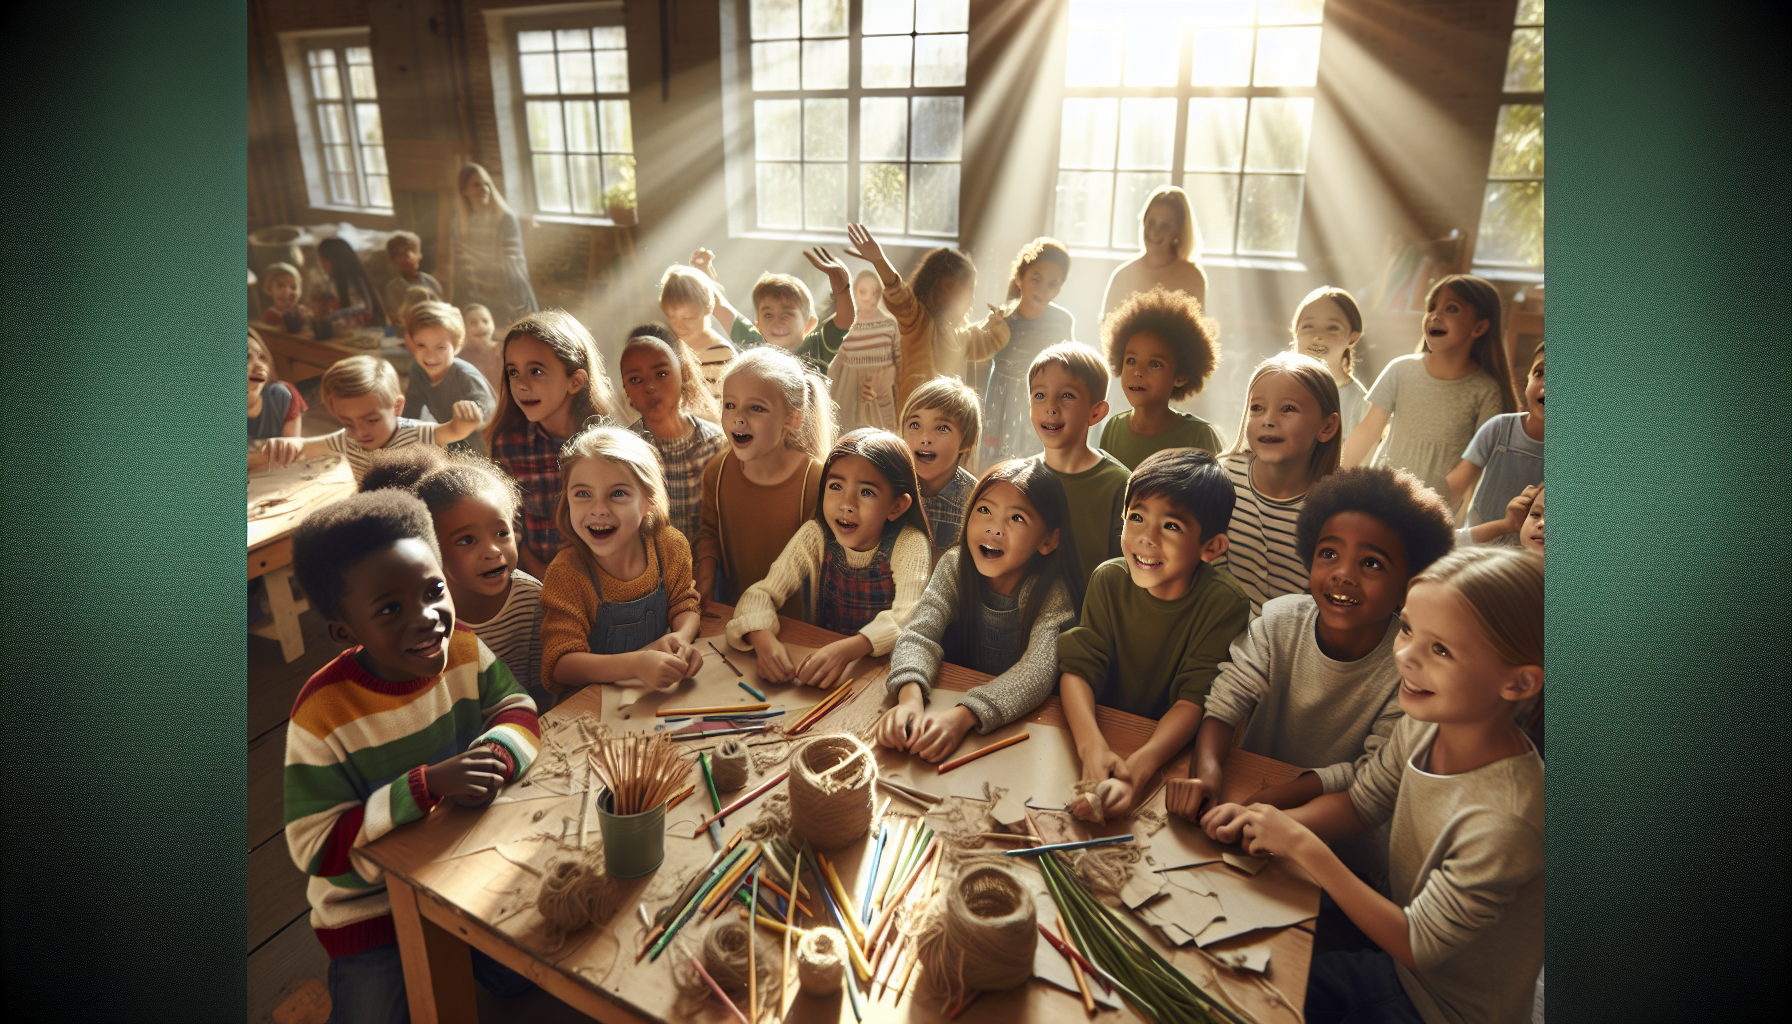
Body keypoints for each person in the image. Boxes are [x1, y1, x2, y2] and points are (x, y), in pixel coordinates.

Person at [1199, 547, 1543, 1024]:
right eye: (1407, 629)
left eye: (1440, 649)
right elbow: (1363, 804)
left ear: (1519, 683)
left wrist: (1302, 845)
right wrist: (1270, 823)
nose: (1405, 657)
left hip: (1438, 1007)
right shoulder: (1426, 722)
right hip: (1391, 962)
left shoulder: (1506, 818)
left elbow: (1419, 943)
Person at [284, 489, 541, 1021]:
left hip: (467, 870)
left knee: (528, 981)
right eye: (390, 608)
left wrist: (495, 755)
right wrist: (426, 787)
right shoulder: (322, 713)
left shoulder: (464, 647)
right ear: (344, 632)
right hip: (371, 912)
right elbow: (315, 847)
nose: (427, 617)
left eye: (434, 590)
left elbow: (517, 708)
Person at [1170, 467, 1457, 875]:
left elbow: (1367, 776)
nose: (1343, 573)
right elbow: (1225, 700)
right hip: (1249, 795)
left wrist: (1272, 801)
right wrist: (1210, 776)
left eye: (1372, 563)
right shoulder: (1280, 620)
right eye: (1328, 554)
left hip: (1337, 842)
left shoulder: (1408, 666)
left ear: (1409, 585)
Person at [1058, 447, 1249, 821]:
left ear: (1212, 547)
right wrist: (1090, 748)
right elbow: (1078, 670)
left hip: (1169, 755)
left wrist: (1140, 769)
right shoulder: (1108, 580)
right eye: (1137, 517)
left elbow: (1194, 698)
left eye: (1171, 526)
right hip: (1102, 728)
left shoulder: (1225, 603)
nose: (1146, 538)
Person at [877, 459, 1083, 761]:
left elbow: (1037, 672)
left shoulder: (1051, 592)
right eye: (984, 510)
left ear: (1048, 540)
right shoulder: (954, 566)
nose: (994, 529)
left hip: (1023, 735)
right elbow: (920, 633)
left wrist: (963, 717)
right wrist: (909, 699)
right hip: (949, 703)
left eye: (1016, 519)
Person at [726, 429, 932, 691]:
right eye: (836, 487)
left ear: (897, 507)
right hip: (823, 669)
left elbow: (908, 617)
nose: (846, 504)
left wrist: (848, 650)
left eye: (866, 492)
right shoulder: (816, 536)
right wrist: (763, 640)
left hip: (887, 676)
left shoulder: (910, 544)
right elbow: (761, 593)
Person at [358, 445, 550, 713]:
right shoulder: (423, 618)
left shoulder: (531, 598)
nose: (493, 551)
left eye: (501, 533)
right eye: (467, 540)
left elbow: (544, 688)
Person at [539, 425, 703, 698]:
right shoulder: (567, 573)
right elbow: (560, 664)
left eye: (617, 494)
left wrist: (680, 638)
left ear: (648, 501)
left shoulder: (669, 547)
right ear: (566, 501)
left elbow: (684, 603)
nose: (599, 509)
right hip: (589, 708)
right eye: (582, 494)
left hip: (651, 697)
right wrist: (636, 664)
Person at [1340, 275, 1517, 506]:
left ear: (1480, 327)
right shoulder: (1400, 369)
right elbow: (1368, 430)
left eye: (1451, 308)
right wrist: (1336, 480)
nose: (1435, 315)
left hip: (1434, 509)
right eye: (1431, 307)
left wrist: (1432, 502)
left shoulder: (1485, 391)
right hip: (1379, 494)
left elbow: (1475, 461)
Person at [693, 346, 835, 614]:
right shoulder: (717, 470)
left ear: (794, 417)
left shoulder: (816, 481)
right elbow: (709, 531)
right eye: (730, 405)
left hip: (798, 627)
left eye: (756, 408)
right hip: (736, 618)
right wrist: (706, 575)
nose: (738, 418)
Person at [485, 309, 622, 578]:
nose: (521, 384)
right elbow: (508, 526)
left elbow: (624, 523)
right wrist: (548, 580)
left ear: (575, 381)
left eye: (536, 371)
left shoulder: (609, 443)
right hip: (538, 581)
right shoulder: (509, 444)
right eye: (513, 372)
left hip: (606, 579)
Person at [1213, 352, 1343, 616]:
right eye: (1257, 408)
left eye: (1288, 409)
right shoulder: (1224, 474)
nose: (1268, 420)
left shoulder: (1335, 510)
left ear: (1327, 427)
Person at [845, 222, 1010, 413]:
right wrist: (879, 260)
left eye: (972, 292)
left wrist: (996, 320)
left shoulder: (958, 336)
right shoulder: (918, 322)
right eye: (966, 290)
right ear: (941, 285)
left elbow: (988, 342)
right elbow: (899, 296)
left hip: (945, 425)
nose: (970, 300)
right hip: (914, 422)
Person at [251, 355, 483, 484]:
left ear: (397, 407)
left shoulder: (415, 434)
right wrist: (290, 444)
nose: (359, 432)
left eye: (371, 420)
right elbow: (308, 446)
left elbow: (450, 431)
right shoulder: (348, 440)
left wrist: (464, 421)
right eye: (347, 422)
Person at [1027, 342, 1129, 597]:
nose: (1050, 406)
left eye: (1067, 396)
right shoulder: (1019, 479)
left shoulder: (1120, 485)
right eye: (1039, 395)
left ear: (1095, 413)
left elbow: (1124, 575)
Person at [1098, 285, 1226, 470]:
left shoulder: (1199, 435)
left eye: (1155, 364)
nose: (1138, 372)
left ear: (1180, 377)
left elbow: (1215, 496)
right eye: (1131, 360)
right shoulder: (1113, 428)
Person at [619, 324, 727, 544]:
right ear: (626, 391)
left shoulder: (714, 443)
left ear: (684, 375)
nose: (650, 387)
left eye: (661, 374)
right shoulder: (625, 451)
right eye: (635, 380)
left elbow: (723, 523)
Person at [981, 238, 1076, 467]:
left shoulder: (1062, 322)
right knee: (996, 467)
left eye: (1052, 283)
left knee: (1032, 469)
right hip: (999, 403)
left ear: (1060, 288)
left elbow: (1072, 370)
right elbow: (980, 363)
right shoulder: (1001, 319)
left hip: (1040, 403)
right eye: (1036, 278)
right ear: (1019, 277)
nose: (1043, 288)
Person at [1448, 344, 1544, 545]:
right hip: (1475, 551)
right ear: (1527, 378)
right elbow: (1454, 486)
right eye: (1540, 372)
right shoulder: (1499, 428)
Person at [1099, 185, 1209, 321]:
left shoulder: (1193, 277)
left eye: (1165, 225)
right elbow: (1107, 332)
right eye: (1151, 222)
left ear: (1178, 231)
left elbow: (1196, 335)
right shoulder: (1122, 276)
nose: (1155, 231)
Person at [402, 300, 498, 456]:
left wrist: (472, 411)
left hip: (484, 456)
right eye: (421, 346)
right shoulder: (418, 370)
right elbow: (411, 412)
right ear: (411, 343)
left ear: (456, 346)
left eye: (441, 347)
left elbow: (489, 414)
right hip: (451, 452)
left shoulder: (466, 377)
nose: (430, 355)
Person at [900, 376, 982, 557]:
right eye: (915, 425)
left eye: (942, 428)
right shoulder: (890, 485)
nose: (925, 438)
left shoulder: (975, 501)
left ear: (966, 441)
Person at [451, 163, 540, 326]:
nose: (484, 189)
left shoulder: (505, 219)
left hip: (506, 296)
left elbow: (511, 267)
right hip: (476, 295)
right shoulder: (460, 223)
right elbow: (461, 268)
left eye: (486, 183)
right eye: (476, 185)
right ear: (464, 191)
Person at [1290, 286, 1373, 441]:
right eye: (1308, 326)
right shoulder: (1277, 385)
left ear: (1352, 338)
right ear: (1296, 333)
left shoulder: (1360, 404)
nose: (1318, 336)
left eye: (1332, 328)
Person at [829, 269, 901, 433]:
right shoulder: (847, 324)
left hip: (879, 395)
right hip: (848, 393)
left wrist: (881, 385)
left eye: (875, 292)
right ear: (854, 292)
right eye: (863, 292)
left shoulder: (889, 324)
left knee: (882, 444)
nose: (870, 298)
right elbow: (835, 366)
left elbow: (900, 363)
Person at [659, 262, 738, 405]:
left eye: (689, 318)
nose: (680, 326)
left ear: (707, 309)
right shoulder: (667, 350)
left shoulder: (723, 353)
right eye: (672, 317)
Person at [314, 237, 388, 333]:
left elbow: (361, 309)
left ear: (332, 261)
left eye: (322, 260)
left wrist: (333, 314)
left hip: (366, 332)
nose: (322, 264)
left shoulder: (354, 282)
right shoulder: (335, 282)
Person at [248, 327, 307, 440]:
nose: (260, 366)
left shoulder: (282, 396)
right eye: (246, 358)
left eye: (262, 358)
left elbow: (292, 447)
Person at [382, 230, 444, 322]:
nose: (408, 257)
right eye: (402, 255)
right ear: (394, 260)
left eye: (412, 252)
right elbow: (398, 317)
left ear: (420, 255)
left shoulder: (431, 283)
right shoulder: (393, 288)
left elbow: (442, 311)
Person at [259, 261, 314, 330]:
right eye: (280, 285)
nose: (287, 291)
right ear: (269, 289)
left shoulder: (302, 310)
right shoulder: (270, 314)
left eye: (293, 287)